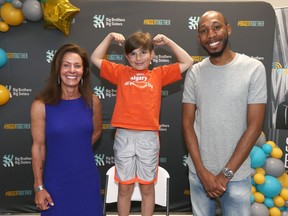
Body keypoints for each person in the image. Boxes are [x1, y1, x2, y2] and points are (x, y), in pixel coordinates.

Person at [91, 31, 193, 216]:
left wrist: (169, 41)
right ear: (127, 57)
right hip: (124, 137)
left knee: (147, 189)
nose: (138, 58)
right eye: (133, 53)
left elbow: (188, 62)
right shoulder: (121, 73)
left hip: (148, 138)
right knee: (124, 188)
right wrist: (109, 37)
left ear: (153, 55)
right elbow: (95, 58)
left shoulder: (159, 74)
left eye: (144, 52)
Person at [182, 11, 267, 216]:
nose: (211, 35)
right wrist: (202, 172)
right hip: (198, 173)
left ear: (228, 29)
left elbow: (255, 127)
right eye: (204, 31)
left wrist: (225, 174)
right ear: (199, 38)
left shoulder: (253, 69)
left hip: (236, 176)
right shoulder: (195, 72)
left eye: (216, 27)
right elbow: (187, 124)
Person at [30, 43, 103, 216]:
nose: (72, 70)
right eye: (66, 65)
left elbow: (97, 131)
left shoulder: (93, 102)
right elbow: (38, 147)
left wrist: (76, 148)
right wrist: (39, 187)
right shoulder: (40, 105)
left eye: (77, 66)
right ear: (58, 69)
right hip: (56, 182)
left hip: (87, 180)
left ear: (84, 70)